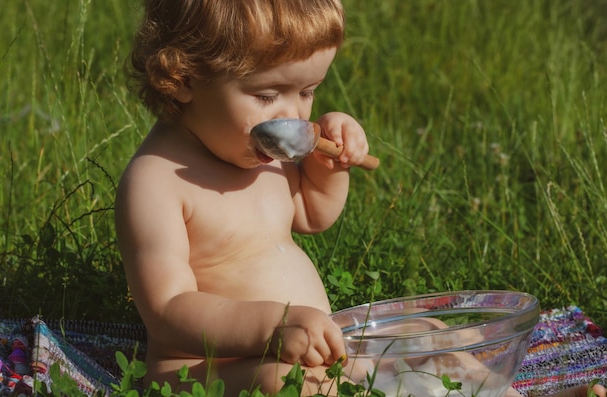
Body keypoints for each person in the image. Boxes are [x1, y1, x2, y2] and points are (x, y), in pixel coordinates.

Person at [115, 1, 606, 397]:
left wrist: (327, 170)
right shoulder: (156, 182)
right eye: (267, 96)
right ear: (182, 80)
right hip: (211, 368)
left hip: (314, 341)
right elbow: (168, 308)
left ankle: (503, 394)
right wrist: (272, 327)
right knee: (290, 385)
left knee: (427, 331)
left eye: (307, 91)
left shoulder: (249, 150)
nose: (293, 113)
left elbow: (310, 214)